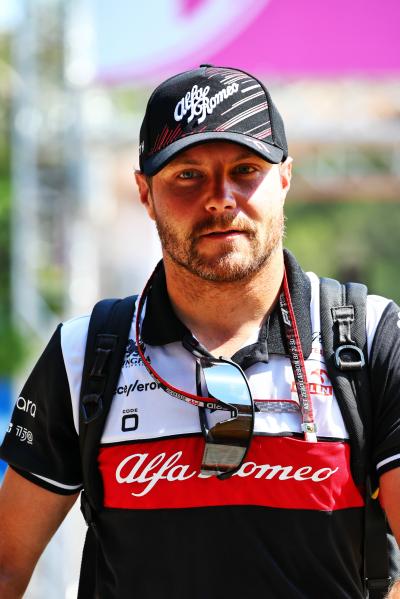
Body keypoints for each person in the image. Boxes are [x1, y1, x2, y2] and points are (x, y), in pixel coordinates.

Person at [0, 64, 399, 599]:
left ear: (284, 179)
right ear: (144, 192)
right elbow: (7, 564)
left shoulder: (370, 338)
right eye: (188, 174)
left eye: (245, 169)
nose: (221, 198)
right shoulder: (84, 352)